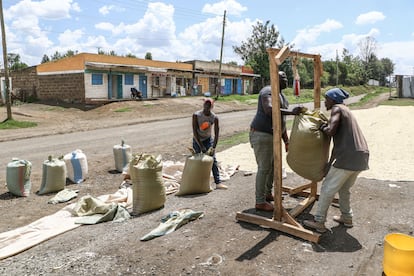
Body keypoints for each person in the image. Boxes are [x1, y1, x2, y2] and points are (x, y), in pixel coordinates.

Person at [303, 88, 369, 233]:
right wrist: (329, 164)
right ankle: (347, 217)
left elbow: (331, 130)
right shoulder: (347, 111)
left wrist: (321, 126)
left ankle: (318, 221)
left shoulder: (337, 108)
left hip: (348, 156)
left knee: (327, 188)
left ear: (332, 100)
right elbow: (337, 144)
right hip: (361, 155)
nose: (325, 102)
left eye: (326, 99)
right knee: (344, 189)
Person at [250, 71, 302, 211]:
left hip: (273, 136)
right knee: (264, 168)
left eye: (286, 77)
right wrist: (291, 112)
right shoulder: (267, 91)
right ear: (274, 78)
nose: (286, 79)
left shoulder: (282, 96)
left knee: (273, 167)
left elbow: (281, 121)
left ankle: (267, 194)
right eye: (282, 77)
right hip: (262, 135)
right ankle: (259, 201)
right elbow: (269, 110)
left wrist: (286, 140)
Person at [192, 98, 227, 189]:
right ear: (203, 105)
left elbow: (216, 134)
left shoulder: (214, 118)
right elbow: (195, 132)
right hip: (197, 140)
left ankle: (218, 182)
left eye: (209, 105)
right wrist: (201, 146)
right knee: (197, 160)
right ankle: (197, 183)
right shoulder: (196, 115)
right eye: (206, 105)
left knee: (213, 160)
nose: (207, 107)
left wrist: (213, 147)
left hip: (208, 139)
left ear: (212, 107)